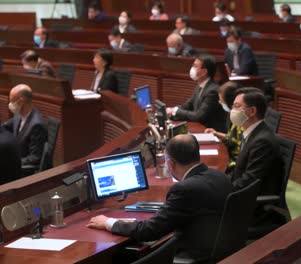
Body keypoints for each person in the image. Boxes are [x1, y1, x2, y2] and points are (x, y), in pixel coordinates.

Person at [87, 134, 232, 260]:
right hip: (221, 247)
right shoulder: (220, 176)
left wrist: (108, 222)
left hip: (194, 253)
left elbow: (149, 231)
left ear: (170, 163)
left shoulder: (184, 189)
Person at [229, 87, 282, 195]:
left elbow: (249, 181)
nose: (232, 111)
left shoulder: (263, 142)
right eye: (233, 106)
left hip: (250, 202)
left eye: (237, 106)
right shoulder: (252, 132)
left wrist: (220, 190)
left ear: (252, 111)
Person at [166, 54, 227, 133]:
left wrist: (176, 111)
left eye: (195, 66)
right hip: (201, 128)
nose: (192, 69)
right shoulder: (200, 86)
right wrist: (172, 110)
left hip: (212, 132)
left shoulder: (213, 91)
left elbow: (199, 116)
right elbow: (188, 105)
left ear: (204, 72)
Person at [2, 84, 47, 175]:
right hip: (14, 157)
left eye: (12, 100)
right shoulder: (19, 115)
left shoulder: (36, 125)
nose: (10, 104)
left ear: (21, 101)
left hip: (22, 170)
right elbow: (5, 126)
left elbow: (35, 158)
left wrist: (13, 162)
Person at [204, 81, 243, 172]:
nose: (219, 102)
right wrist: (217, 134)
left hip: (234, 163)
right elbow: (233, 138)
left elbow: (236, 144)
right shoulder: (232, 116)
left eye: (221, 100)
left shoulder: (240, 120)